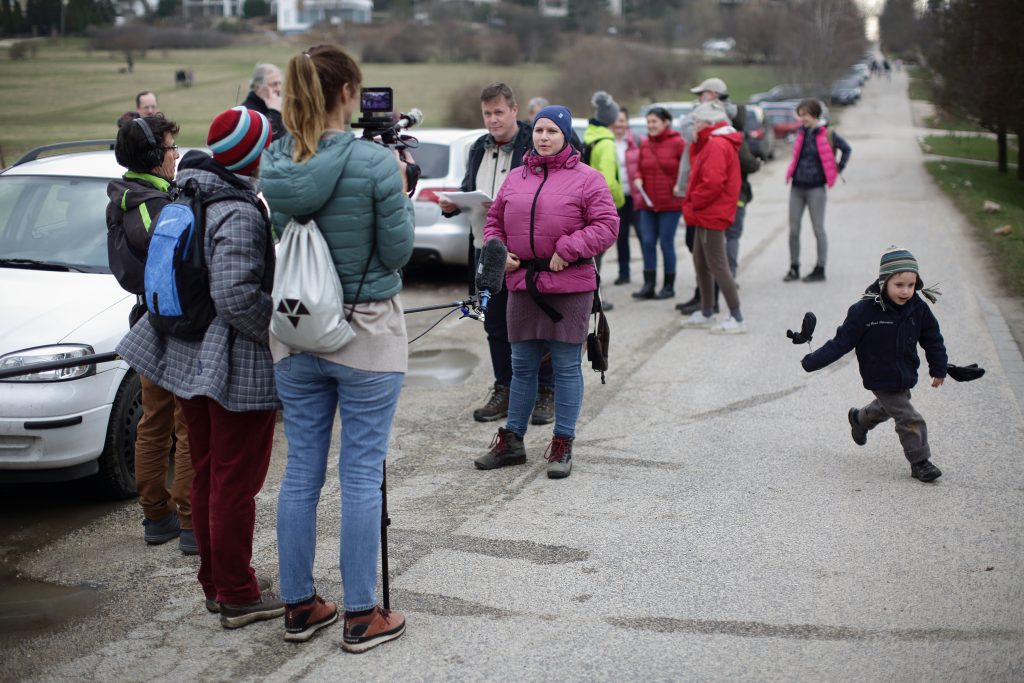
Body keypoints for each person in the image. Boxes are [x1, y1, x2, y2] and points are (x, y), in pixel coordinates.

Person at [260, 44, 415, 652]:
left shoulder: (275, 160)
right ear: (347, 92)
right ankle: (359, 614)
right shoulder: (375, 164)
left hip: (297, 333)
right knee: (359, 474)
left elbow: (288, 237)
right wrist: (399, 188)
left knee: (300, 471)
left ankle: (299, 604)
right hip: (365, 331)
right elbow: (399, 254)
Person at [116, 106, 282, 628]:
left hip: (183, 352)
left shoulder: (186, 189)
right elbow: (234, 295)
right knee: (235, 481)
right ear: (252, 153)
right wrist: (279, 331)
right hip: (229, 363)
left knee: (210, 473)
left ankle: (218, 581)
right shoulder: (234, 206)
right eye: (266, 144)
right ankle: (235, 591)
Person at [474, 104, 618, 479]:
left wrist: (568, 249)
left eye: (552, 131)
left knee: (566, 366)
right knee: (521, 366)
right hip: (522, 284)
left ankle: (562, 443)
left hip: (569, 286)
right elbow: (494, 222)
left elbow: (607, 226)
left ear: (565, 135)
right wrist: (498, 251)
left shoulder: (588, 179)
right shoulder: (517, 176)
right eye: (539, 131)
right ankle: (512, 441)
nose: (543, 138)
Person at [438, 83, 555, 426]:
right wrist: (453, 203)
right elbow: (468, 187)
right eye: (487, 113)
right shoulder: (477, 147)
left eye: (498, 112)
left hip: (524, 255)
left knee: (537, 325)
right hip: (482, 251)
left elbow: (550, 196)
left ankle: (546, 391)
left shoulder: (536, 143)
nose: (492, 120)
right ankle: (504, 388)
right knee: (494, 326)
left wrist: (508, 206)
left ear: (514, 110)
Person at [105, 114, 195, 555]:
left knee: (153, 422)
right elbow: (175, 262)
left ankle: (156, 515)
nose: (176, 155)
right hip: (171, 324)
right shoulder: (152, 205)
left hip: (146, 319)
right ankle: (189, 521)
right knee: (184, 424)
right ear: (154, 156)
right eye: (171, 147)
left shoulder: (128, 195)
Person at [800, 246, 947, 483]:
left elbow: (933, 338)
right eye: (899, 285)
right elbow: (841, 342)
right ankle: (920, 462)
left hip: (905, 372)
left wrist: (938, 367)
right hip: (879, 374)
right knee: (909, 417)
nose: (906, 291)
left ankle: (860, 419)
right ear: (884, 282)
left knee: (891, 406)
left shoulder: (918, 308)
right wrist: (812, 361)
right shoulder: (864, 311)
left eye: (911, 285)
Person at [679, 101, 745, 334]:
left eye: (697, 121)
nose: (694, 126)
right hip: (704, 214)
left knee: (718, 265)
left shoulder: (717, 144)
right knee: (701, 262)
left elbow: (713, 183)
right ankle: (707, 311)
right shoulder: (710, 143)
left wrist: (694, 202)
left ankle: (737, 317)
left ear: (710, 122)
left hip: (711, 214)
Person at [783, 98, 852, 283]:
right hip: (797, 187)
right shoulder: (800, 132)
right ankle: (794, 267)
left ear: (814, 114)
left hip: (816, 189)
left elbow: (846, 149)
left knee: (818, 229)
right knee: (793, 230)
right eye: (800, 115)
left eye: (804, 114)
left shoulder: (827, 133)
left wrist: (839, 168)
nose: (801, 118)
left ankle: (820, 268)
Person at [632, 106, 684, 300]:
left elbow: (687, 169)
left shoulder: (678, 143)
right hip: (648, 204)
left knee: (666, 243)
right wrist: (638, 177)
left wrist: (680, 184)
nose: (650, 125)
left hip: (670, 204)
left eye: (654, 121)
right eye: (648, 122)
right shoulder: (645, 144)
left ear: (666, 122)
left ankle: (668, 286)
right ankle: (649, 284)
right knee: (647, 243)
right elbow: (639, 168)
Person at [610, 107, 640, 286]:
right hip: (617, 198)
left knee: (644, 236)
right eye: (616, 121)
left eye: (622, 120)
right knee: (621, 236)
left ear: (627, 122)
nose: (619, 124)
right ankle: (624, 272)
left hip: (635, 197)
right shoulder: (607, 142)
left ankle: (649, 274)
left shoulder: (636, 141)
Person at [242, 63, 286, 141]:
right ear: (258, 87)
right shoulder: (247, 113)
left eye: (280, 84)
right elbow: (264, 141)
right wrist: (274, 112)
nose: (278, 89)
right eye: (274, 84)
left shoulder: (277, 107)